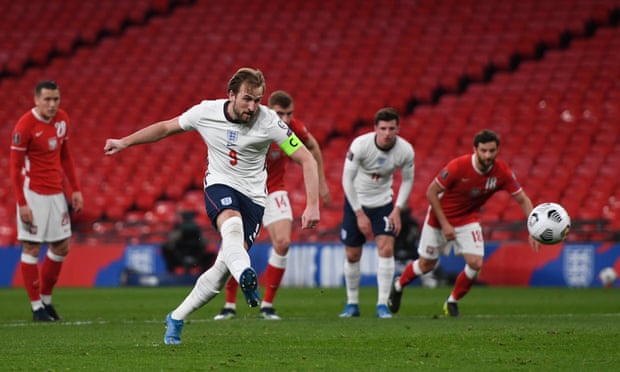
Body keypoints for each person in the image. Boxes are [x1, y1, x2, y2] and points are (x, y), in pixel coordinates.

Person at [103, 67, 320, 344]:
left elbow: (307, 158)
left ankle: (177, 317)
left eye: (257, 100)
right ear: (231, 95)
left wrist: (312, 204)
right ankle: (246, 276)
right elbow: (166, 127)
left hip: (254, 197)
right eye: (246, 99)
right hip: (219, 184)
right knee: (231, 227)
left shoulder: (270, 122)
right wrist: (124, 142)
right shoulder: (206, 112)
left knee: (220, 272)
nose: (252, 107)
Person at [388, 129, 540, 317]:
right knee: (427, 264)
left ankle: (452, 301)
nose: (487, 155)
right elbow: (431, 192)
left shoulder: (502, 172)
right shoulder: (458, 166)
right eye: (483, 151)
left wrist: (533, 229)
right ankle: (398, 284)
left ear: (497, 150)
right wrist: (445, 224)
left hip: (468, 219)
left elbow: (523, 199)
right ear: (475, 149)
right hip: (438, 218)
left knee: (475, 263)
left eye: (492, 151)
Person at [213, 90, 331, 320]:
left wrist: (322, 182)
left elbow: (312, 147)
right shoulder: (252, 122)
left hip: (274, 190)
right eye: (280, 114)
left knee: (284, 242)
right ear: (268, 109)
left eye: (289, 114)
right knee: (236, 246)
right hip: (245, 192)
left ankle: (267, 305)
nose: (285, 119)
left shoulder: (291, 127)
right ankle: (229, 305)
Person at [9, 80, 84, 322]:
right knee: (31, 247)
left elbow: (66, 155)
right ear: (36, 100)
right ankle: (35, 307)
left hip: (56, 193)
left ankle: (46, 301)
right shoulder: (25, 125)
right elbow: (14, 167)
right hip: (33, 194)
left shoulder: (62, 119)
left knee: (61, 246)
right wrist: (22, 202)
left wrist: (76, 189)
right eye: (47, 100)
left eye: (56, 99)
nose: (52, 104)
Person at [339, 107, 415, 319]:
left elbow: (408, 180)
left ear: (398, 128)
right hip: (356, 202)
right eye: (383, 128)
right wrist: (359, 214)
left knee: (386, 248)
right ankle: (352, 303)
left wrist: (398, 209)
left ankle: (382, 305)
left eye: (392, 128)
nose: (388, 133)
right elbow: (346, 180)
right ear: (375, 129)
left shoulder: (405, 150)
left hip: (383, 202)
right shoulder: (360, 145)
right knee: (353, 254)